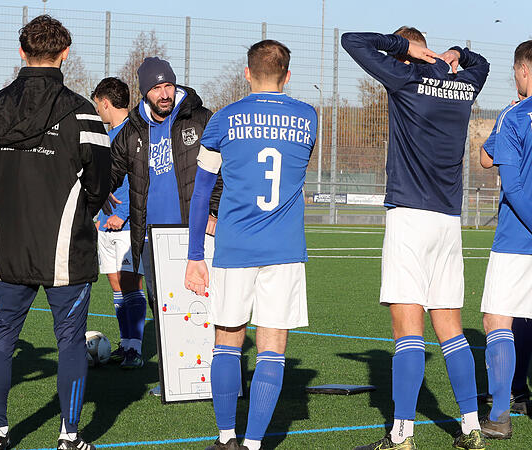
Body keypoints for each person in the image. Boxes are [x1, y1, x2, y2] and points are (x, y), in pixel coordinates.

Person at [342, 27, 490, 450]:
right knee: (452, 330)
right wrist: (455, 53)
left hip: (409, 217)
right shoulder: (462, 85)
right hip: (448, 221)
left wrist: (405, 50)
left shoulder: (405, 77)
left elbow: (353, 41)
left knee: (408, 329)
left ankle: (401, 435)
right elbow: (481, 65)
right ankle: (471, 428)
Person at [0, 15, 110, 450]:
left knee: (0, 337)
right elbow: (100, 184)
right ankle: (69, 437)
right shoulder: (82, 111)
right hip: (65, 249)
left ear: (21, 52)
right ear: (65, 54)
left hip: (9, 247)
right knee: (69, 340)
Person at [184, 39, 316, 450]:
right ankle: (255, 444)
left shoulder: (223, 119)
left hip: (234, 246)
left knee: (227, 339)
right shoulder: (308, 117)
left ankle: (227, 438)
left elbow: (201, 193)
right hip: (284, 249)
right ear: (288, 76)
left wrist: (193, 256)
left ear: (246, 73)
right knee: (273, 346)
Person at [109, 56, 221, 317]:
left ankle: (209, 359)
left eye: (168, 86)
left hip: (196, 231)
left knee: (202, 308)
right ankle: (167, 360)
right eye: (156, 89)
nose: (164, 94)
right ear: (145, 92)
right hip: (152, 239)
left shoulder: (201, 119)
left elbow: (224, 170)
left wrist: (213, 211)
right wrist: (98, 190)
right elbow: (109, 169)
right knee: (162, 312)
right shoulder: (133, 129)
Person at [477, 39, 532, 440]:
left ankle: (499, 413)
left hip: (518, 237)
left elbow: (507, 180)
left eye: (516, 71)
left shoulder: (513, 116)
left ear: (524, 70)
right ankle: (519, 392)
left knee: (498, 316)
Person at [91, 77, 146, 369]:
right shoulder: (108, 135)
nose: (98, 111)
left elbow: (140, 177)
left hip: (126, 224)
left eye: (98, 105)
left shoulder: (134, 133)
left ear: (105, 102)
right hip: (106, 223)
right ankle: (125, 345)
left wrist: (122, 214)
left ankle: (136, 350)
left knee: (130, 283)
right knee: (115, 283)